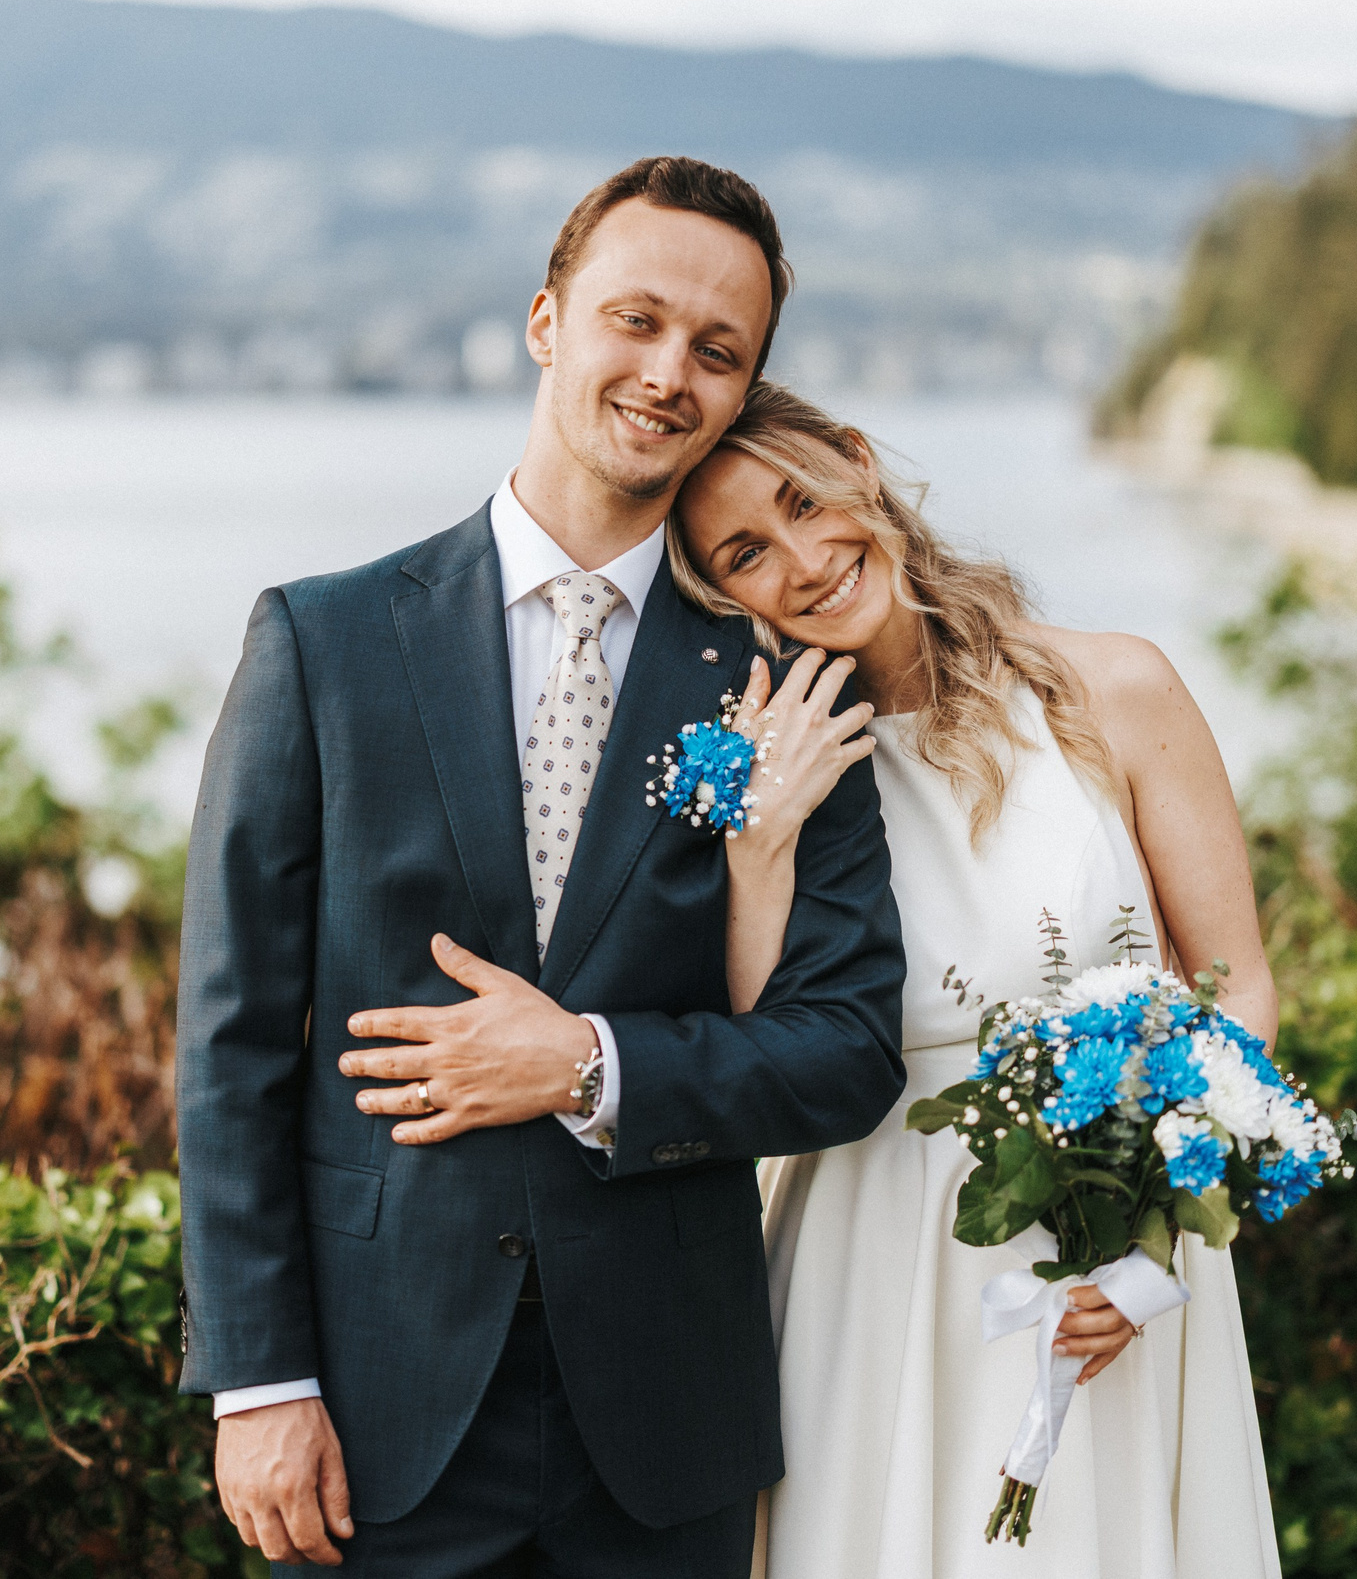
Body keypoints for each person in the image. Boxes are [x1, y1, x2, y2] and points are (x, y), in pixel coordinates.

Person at [176, 158, 908, 1575]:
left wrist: (588, 1065)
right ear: (545, 322)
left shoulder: (781, 682)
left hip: (666, 1432)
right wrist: (260, 1386)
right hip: (375, 1423)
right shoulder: (321, 645)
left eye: (718, 351)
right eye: (636, 320)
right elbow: (231, 1046)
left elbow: (842, 1051)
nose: (667, 372)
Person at [670, 382, 1286, 1579]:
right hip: (868, 1283)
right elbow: (756, 1045)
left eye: (806, 501)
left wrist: (1154, 1236)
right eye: (747, 551)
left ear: (860, 464)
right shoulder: (764, 771)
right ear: (718, 593)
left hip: (1105, 1271)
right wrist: (758, 841)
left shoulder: (1116, 690)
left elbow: (1237, 989)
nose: (802, 560)